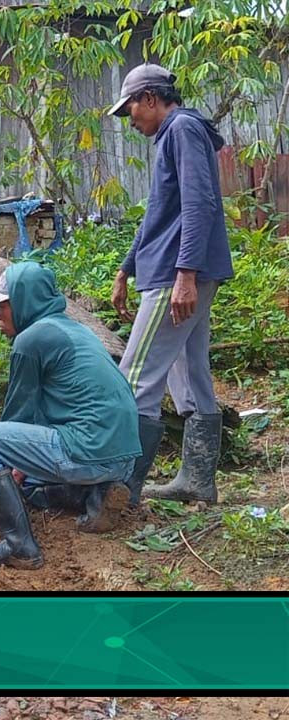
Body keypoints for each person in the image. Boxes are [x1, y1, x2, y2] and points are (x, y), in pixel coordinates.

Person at [108, 64, 234, 505]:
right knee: (190, 375)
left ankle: (120, 492)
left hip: (178, 275)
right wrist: (126, 267)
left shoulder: (181, 129)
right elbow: (160, 215)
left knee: (136, 377)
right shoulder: (176, 134)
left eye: (131, 111)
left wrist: (184, 275)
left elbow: (200, 203)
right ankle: (197, 480)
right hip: (178, 271)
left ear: (148, 97)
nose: (131, 120)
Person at [0, 263, 142, 570]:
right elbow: (45, 412)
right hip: (121, 458)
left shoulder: (31, 339)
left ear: (23, 302)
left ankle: (19, 547)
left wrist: (0, 482)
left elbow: (16, 418)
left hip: (88, 448)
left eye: (2, 308)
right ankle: (92, 496)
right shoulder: (74, 329)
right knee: (27, 476)